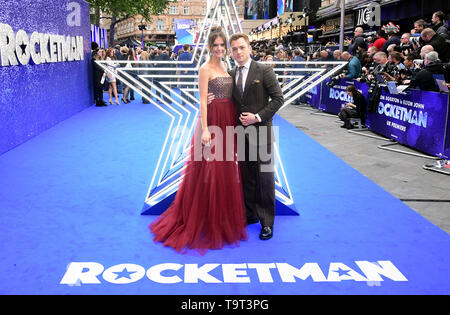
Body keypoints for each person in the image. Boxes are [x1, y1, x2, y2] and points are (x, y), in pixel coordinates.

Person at [149, 26, 247, 254]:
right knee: (208, 169)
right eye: (216, 45)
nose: (220, 49)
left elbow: (229, 94)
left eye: (223, 45)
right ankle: (206, 218)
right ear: (209, 47)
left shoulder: (225, 66)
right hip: (213, 121)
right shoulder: (205, 69)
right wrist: (204, 129)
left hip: (228, 120)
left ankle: (221, 217)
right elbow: (202, 101)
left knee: (224, 168)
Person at [209, 32, 284, 241]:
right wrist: (209, 97)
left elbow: (278, 99)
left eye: (242, 47)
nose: (238, 52)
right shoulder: (230, 74)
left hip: (262, 133)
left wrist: (257, 117)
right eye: (234, 49)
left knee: (265, 179)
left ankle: (267, 222)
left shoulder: (264, 70)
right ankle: (250, 214)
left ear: (249, 48)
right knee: (247, 177)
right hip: (240, 134)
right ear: (230, 52)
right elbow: (223, 98)